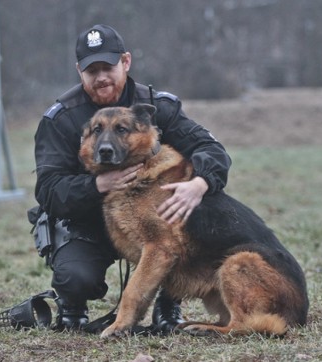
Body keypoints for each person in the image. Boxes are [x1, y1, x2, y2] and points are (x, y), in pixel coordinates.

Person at [33, 24, 232, 333]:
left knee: (177, 229)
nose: (101, 77)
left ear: (125, 62)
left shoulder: (157, 107)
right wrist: (97, 185)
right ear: (79, 71)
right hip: (87, 220)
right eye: (91, 70)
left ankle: (168, 303)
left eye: (108, 67)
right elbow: (47, 190)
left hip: (152, 216)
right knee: (75, 277)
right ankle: (71, 305)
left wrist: (199, 184)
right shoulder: (62, 119)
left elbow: (211, 150)